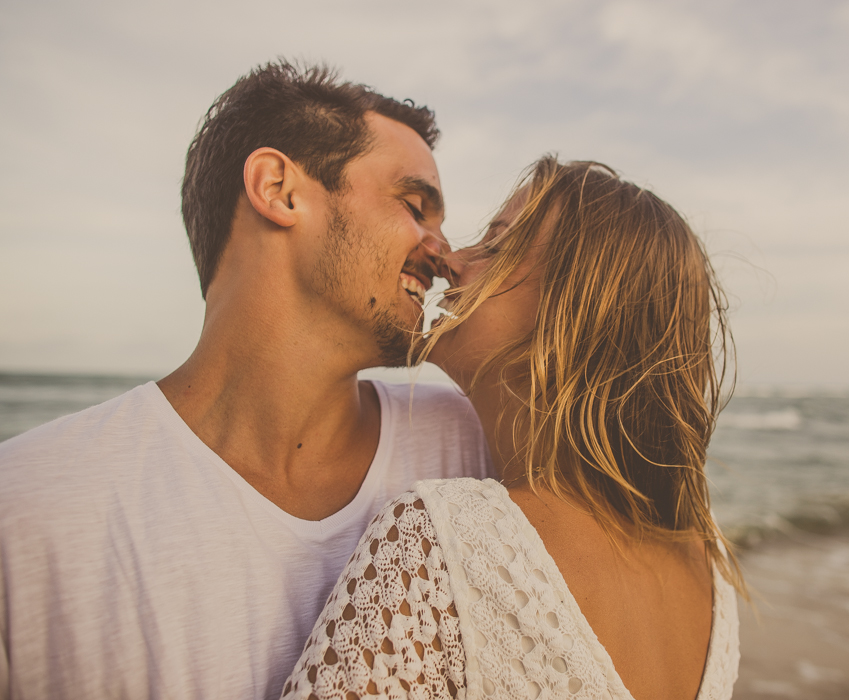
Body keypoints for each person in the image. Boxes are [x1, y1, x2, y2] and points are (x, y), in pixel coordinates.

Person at [0, 62, 491, 699]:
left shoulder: (475, 449)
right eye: (414, 205)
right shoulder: (28, 513)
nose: (443, 252)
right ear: (278, 189)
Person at [282, 156, 746, 699]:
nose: (451, 259)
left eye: (498, 247)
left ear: (572, 311)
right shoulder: (707, 569)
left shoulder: (447, 539)